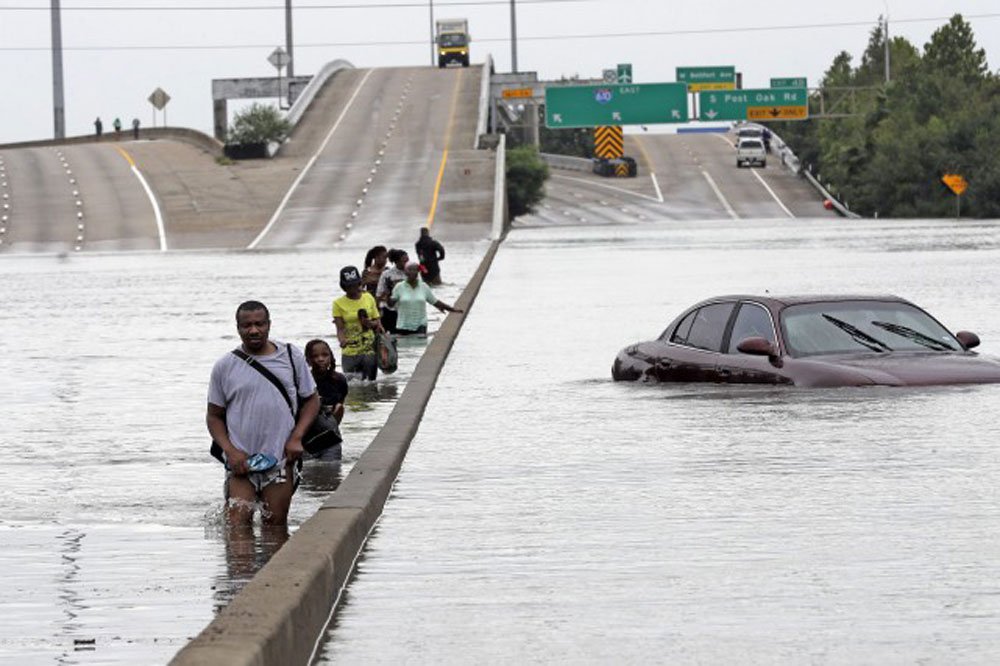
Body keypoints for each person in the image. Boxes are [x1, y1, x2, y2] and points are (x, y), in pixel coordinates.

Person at [207, 300, 319, 526]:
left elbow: (312, 400)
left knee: (276, 527)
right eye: (246, 325)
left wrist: (296, 438)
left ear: (269, 325)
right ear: (237, 328)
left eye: (259, 324)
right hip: (241, 464)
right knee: (237, 528)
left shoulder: (290, 356)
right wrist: (230, 451)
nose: (254, 330)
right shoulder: (225, 366)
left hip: (280, 460)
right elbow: (214, 416)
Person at [332, 265, 383, 380]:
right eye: (348, 286)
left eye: (355, 285)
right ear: (343, 287)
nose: (352, 289)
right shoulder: (338, 303)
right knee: (352, 387)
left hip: (369, 350)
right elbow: (340, 328)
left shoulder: (368, 298)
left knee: (370, 385)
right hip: (350, 351)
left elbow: (378, 322)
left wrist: (370, 324)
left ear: (359, 283)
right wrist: (342, 340)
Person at [388, 261, 463, 336]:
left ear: (418, 272)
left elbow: (435, 302)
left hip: (420, 324)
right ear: (405, 272)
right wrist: (389, 294)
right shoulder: (399, 287)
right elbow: (391, 304)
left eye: (414, 270)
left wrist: (452, 309)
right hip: (403, 325)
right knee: (405, 346)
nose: (412, 272)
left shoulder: (424, 287)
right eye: (409, 270)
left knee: (419, 346)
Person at [304, 339, 348, 461]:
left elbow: (339, 408)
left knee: (331, 469)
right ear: (308, 359)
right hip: (308, 436)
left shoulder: (339, 380)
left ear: (331, 356)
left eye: (324, 355)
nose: (321, 359)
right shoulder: (304, 382)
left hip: (331, 434)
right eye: (315, 356)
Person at [376, 249, 408, 333]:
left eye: (408, 260)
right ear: (396, 262)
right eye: (404, 261)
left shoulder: (412, 273)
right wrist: (388, 291)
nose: (407, 263)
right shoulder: (387, 274)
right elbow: (378, 295)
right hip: (390, 311)